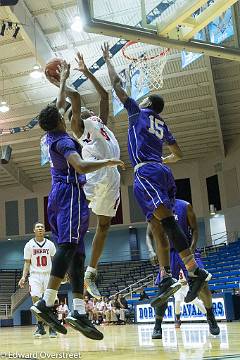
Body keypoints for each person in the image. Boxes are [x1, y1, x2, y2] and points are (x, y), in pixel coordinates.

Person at [103, 42, 211, 308]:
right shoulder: (162, 123)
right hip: (163, 171)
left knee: (169, 224)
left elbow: (117, 87)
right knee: (157, 226)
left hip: (147, 172)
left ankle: (194, 271)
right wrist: (164, 159)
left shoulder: (138, 112)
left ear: (148, 103)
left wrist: (108, 60)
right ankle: (164, 275)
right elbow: (179, 153)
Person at [30, 61, 124, 341]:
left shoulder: (50, 132)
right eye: (65, 114)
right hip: (71, 191)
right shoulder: (64, 142)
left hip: (60, 195)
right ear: (63, 122)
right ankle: (46, 303)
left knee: (77, 253)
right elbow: (81, 166)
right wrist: (107, 161)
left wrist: (63, 81)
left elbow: (62, 102)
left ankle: (79, 310)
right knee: (70, 247)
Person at [48, 53, 121, 300]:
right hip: (94, 176)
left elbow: (105, 96)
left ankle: (91, 272)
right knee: (77, 228)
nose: (84, 110)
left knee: (105, 224)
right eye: (76, 113)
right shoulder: (79, 127)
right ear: (72, 121)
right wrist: (61, 83)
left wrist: (87, 71)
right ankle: (66, 265)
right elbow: (75, 99)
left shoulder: (101, 122)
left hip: (111, 177)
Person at [147, 198, 220, 339]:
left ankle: (211, 317)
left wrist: (192, 248)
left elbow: (195, 229)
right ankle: (157, 326)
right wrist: (151, 251)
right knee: (164, 289)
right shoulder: (156, 207)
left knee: (203, 284)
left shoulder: (185, 206)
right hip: (167, 254)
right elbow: (149, 234)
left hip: (186, 250)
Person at [18, 222, 57, 338]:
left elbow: (55, 261)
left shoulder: (50, 244)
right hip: (35, 275)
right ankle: (40, 326)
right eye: (37, 227)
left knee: (50, 302)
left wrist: (60, 274)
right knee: (35, 299)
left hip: (49, 275)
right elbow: (27, 263)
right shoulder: (29, 245)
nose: (40, 228)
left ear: (44, 230)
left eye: (42, 227)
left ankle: (52, 326)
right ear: (34, 230)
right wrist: (23, 277)